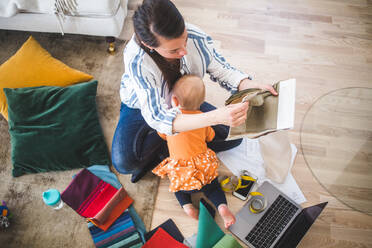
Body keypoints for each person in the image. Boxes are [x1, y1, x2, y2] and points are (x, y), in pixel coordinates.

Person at [111, 0, 277, 183]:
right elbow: (156, 117)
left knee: (234, 137)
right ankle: (175, 143)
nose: (184, 51)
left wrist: (247, 84)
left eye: (185, 39)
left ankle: (170, 145)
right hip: (142, 108)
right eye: (174, 50)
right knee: (124, 163)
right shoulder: (136, 60)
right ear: (149, 45)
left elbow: (221, 69)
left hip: (186, 101)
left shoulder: (197, 36)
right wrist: (214, 118)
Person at [152, 74, 235, 228]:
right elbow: (210, 137)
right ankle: (222, 207)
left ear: (175, 100)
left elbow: (162, 134)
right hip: (203, 170)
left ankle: (187, 206)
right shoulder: (202, 119)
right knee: (213, 188)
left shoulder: (171, 121)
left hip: (183, 174)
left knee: (178, 190)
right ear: (201, 103)